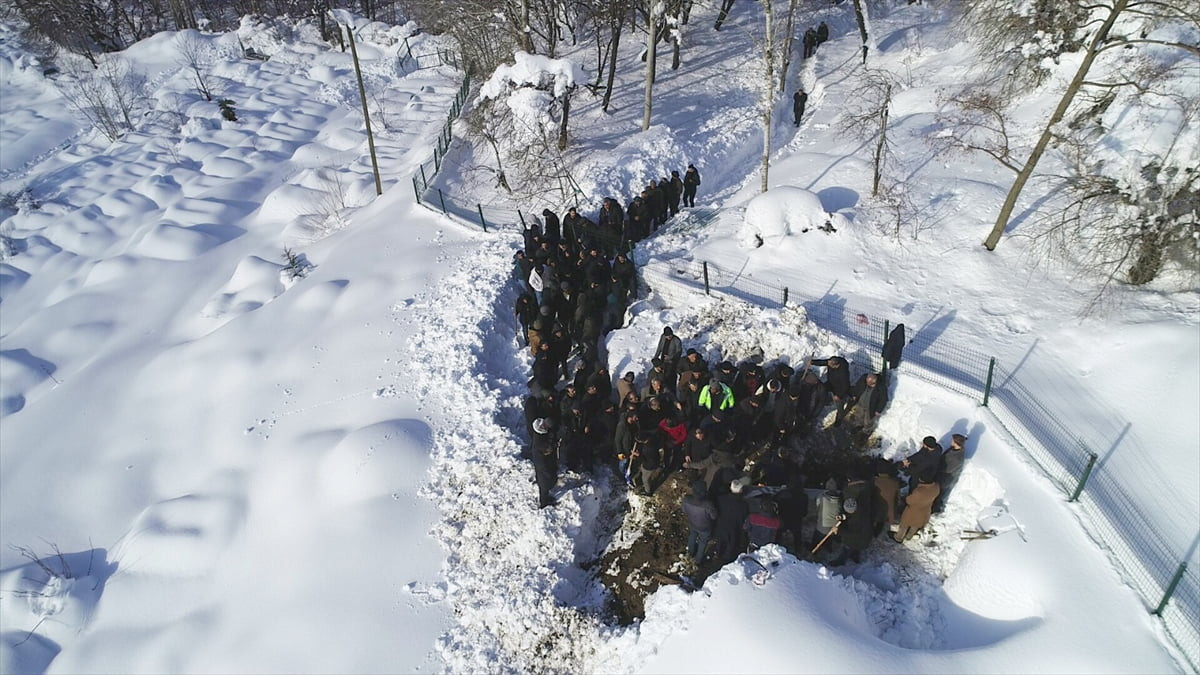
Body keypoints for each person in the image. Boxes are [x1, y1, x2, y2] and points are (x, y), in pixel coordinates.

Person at [681, 479, 718, 564]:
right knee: (703, 541)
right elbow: (714, 517)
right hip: (705, 527)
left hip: (692, 523)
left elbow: (684, 510)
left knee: (692, 536)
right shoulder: (708, 504)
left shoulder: (686, 499)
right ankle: (698, 559)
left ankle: (690, 552)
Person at [895, 473, 940, 542]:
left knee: (904, 525)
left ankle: (898, 538)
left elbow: (909, 501)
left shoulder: (919, 491)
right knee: (915, 526)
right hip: (925, 511)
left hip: (912, 511)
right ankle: (909, 537)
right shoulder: (936, 487)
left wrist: (905, 498)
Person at [714, 478, 750, 564]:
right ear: (741, 490)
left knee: (720, 540)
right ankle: (726, 558)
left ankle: (718, 553)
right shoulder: (743, 504)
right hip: (734, 527)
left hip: (721, 524)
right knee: (731, 543)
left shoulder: (721, 499)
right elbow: (743, 517)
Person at [812, 355, 851, 423]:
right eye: (828, 364)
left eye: (830, 365)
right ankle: (824, 400)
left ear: (836, 365)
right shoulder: (833, 360)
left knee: (839, 405)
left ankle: (839, 419)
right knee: (821, 389)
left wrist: (839, 395)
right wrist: (813, 362)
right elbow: (824, 362)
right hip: (830, 382)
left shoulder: (843, 373)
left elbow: (845, 386)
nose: (828, 365)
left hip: (839, 388)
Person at [934, 433, 967, 513]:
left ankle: (936, 508)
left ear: (956, 442)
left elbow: (946, 469)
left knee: (939, 494)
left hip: (946, 478)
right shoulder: (953, 449)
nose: (951, 441)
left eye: (952, 440)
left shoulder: (957, 458)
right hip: (943, 476)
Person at [530, 418, 559, 508]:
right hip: (542, 467)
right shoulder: (539, 442)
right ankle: (544, 503)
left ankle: (545, 498)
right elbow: (544, 452)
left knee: (544, 485)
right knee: (544, 485)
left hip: (543, 465)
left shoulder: (539, 435)